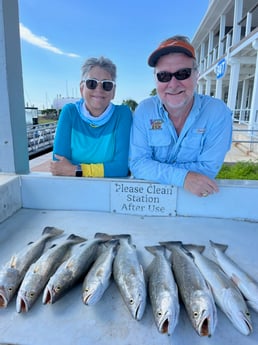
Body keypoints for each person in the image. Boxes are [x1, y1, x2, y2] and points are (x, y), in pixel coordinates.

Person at [129, 35, 232, 197]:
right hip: (148, 200)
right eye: (164, 76)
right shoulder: (144, 110)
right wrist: (184, 178)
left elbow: (209, 168)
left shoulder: (217, 112)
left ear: (196, 75)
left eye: (182, 73)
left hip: (195, 201)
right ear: (155, 80)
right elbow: (138, 164)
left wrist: (156, 170)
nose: (173, 84)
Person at [50, 56, 132, 178]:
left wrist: (75, 170)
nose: (99, 89)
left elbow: (121, 168)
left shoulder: (123, 114)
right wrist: (107, 168)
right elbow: (58, 165)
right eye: (91, 83)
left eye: (106, 85)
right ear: (82, 88)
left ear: (113, 91)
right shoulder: (69, 113)